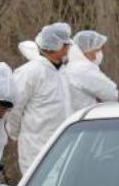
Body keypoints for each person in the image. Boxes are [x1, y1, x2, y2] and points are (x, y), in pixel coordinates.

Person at [8, 22, 72, 174]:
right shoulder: (30, 72)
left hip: (62, 144)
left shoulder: (63, 72)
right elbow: (14, 107)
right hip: (36, 146)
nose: (69, 48)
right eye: (66, 44)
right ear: (56, 46)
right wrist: (14, 133)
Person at [64, 30, 118, 112]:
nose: (100, 53)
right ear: (88, 51)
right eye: (97, 50)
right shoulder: (83, 69)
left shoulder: (72, 66)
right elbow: (112, 94)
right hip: (86, 118)